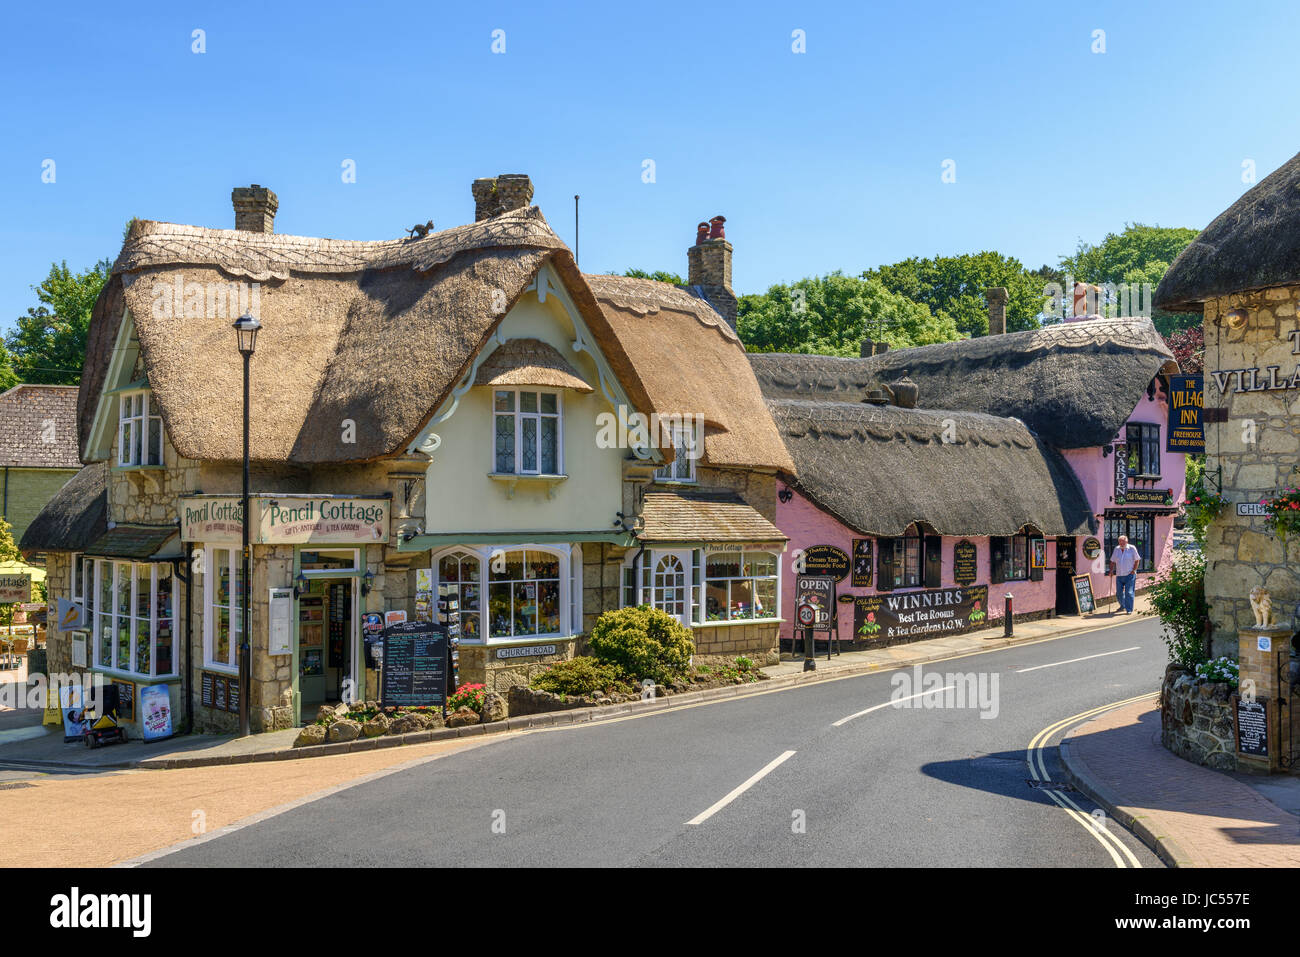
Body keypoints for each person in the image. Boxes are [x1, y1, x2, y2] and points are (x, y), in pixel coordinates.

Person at [1109, 535, 1141, 614]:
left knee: (1129, 592)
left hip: (1129, 574)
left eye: (1123, 541)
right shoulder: (1116, 549)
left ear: (1127, 541)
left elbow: (1137, 560)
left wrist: (1134, 570)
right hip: (1119, 574)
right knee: (1119, 593)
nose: (1121, 543)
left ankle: (1129, 609)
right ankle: (1123, 605)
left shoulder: (1132, 548)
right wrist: (1111, 571)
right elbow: (1112, 561)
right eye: (1120, 541)